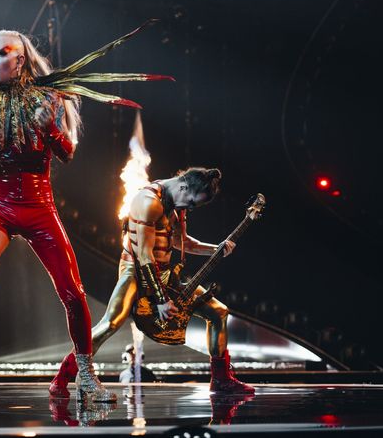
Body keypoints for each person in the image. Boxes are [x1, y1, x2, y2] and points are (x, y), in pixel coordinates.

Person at [0, 30, 116, 406]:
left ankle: (85, 375)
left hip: (38, 205)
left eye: (1, 53)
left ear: (21, 60)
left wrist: (48, 126)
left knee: (73, 291)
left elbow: (67, 153)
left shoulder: (47, 97)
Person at [49, 167, 255, 396]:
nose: (189, 208)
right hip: (135, 270)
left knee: (219, 312)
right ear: (183, 187)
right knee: (111, 322)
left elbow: (181, 241)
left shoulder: (176, 204)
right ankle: (62, 378)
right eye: (191, 202)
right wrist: (162, 300)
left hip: (164, 272)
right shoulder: (148, 202)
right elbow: (145, 256)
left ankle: (221, 381)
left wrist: (216, 249)